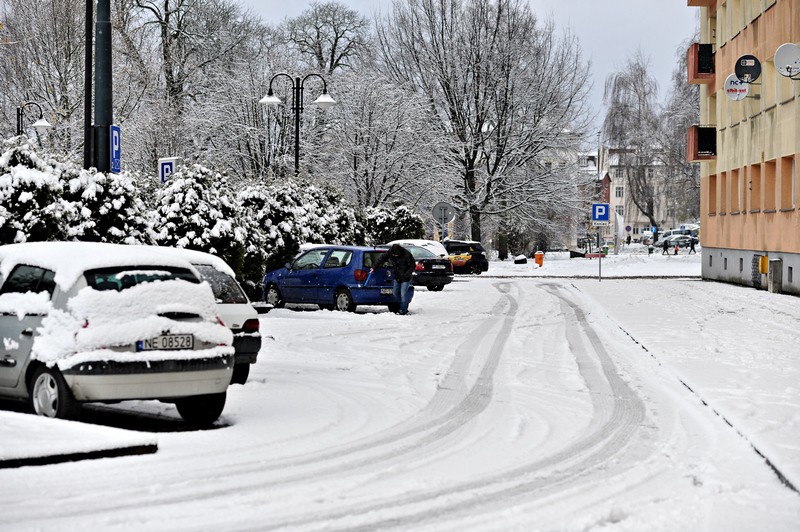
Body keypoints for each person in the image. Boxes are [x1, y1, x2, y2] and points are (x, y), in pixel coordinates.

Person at [371, 243, 416, 315]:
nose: (394, 256)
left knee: (403, 294)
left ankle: (403, 310)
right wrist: (374, 267)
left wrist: (406, 274)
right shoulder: (390, 252)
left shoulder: (407, 255)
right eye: (393, 255)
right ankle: (399, 307)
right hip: (397, 276)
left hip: (406, 278)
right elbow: (382, 258)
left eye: (396, 255)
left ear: (399, 252)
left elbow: (413, 266)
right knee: (395, 293)